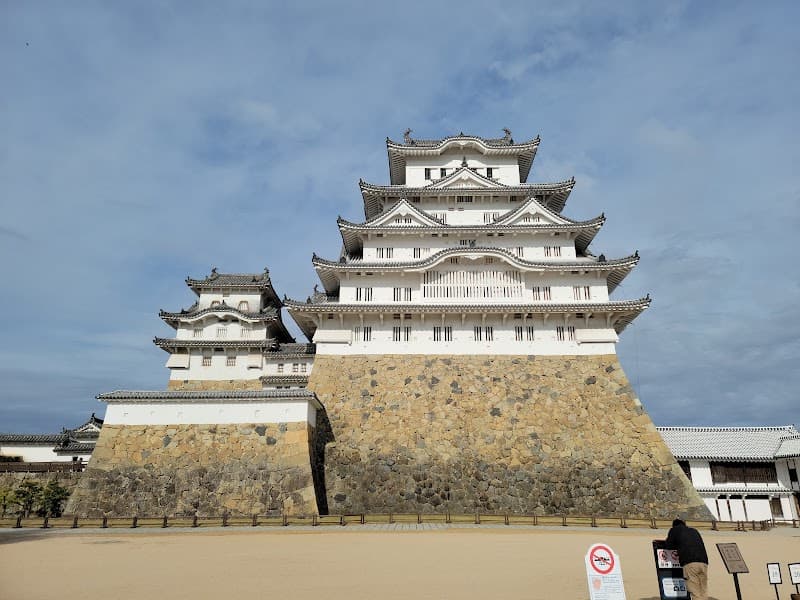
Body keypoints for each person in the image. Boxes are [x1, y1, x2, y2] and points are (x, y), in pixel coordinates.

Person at [665, 518, 709, 600]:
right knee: (703, 591)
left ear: (674, 525)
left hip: (690, 562)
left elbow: (668, 546)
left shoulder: (674, 530)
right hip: (704, 562)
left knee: (695, 592)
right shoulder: (694, 530)